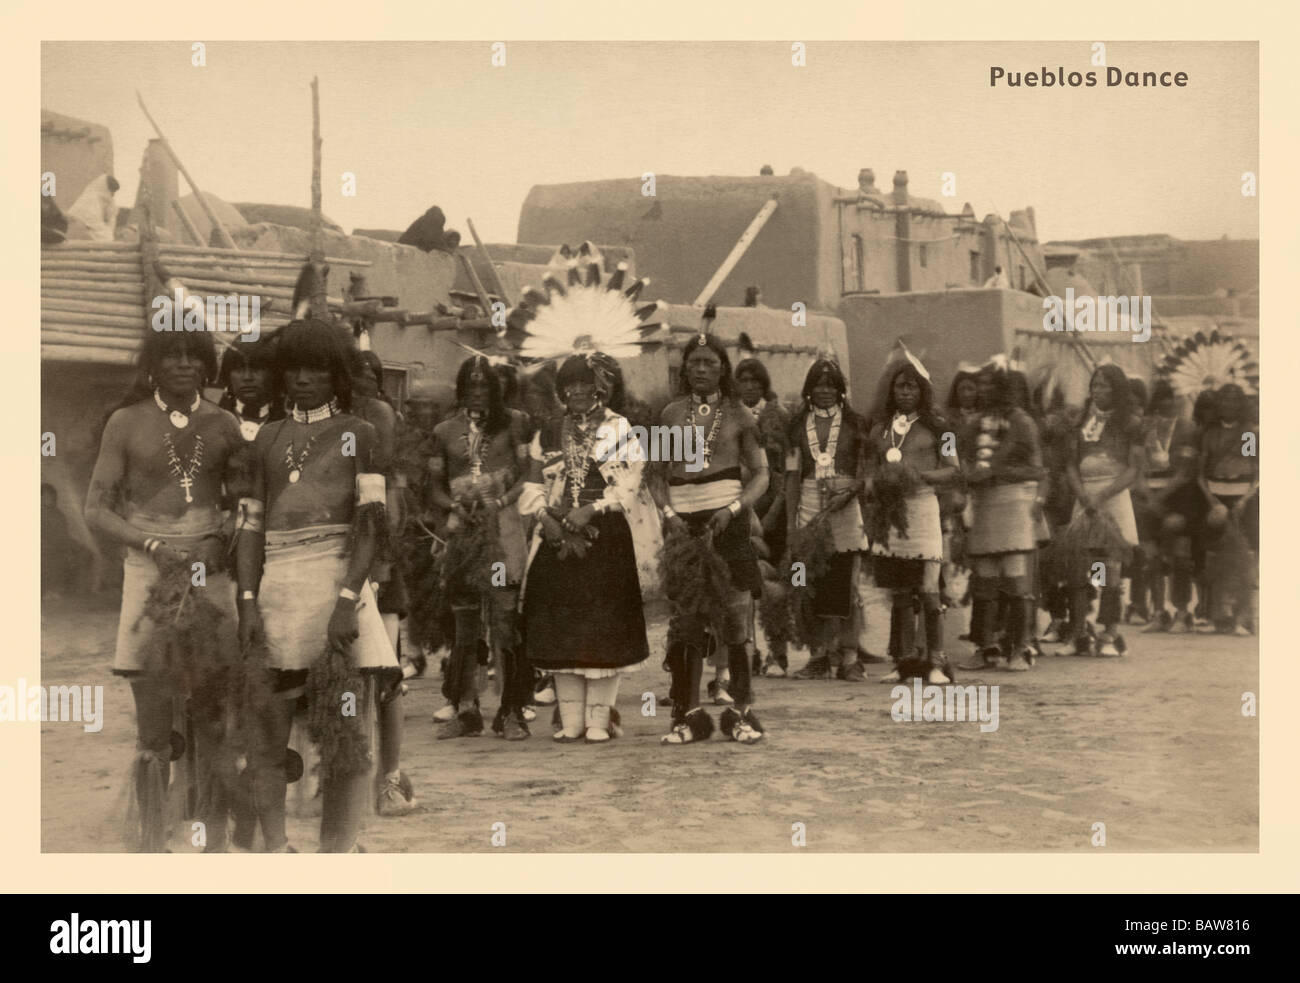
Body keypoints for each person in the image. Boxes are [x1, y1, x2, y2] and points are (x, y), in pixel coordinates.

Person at [235, 317, 399, 853]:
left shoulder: (361, 433)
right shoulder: (265, 439)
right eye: (293, 368)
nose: (303, 378)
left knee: (345, 734)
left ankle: (338, 852)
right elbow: (251, 526)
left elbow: (372, 524)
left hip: (338, 591)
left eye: (317, 368)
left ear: (337, 374)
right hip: (277, 594)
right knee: (266, 738)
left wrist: (348, 600)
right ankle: (279, 849)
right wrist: (247, 602)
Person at [85, 328, 245, 852]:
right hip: (149, 569)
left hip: (207, 570)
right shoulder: (125, 421)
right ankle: (153, 844)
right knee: (153, 727)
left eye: (192, 356)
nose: (181, 364)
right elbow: (97, 508)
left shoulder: (225, 424)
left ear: (206, 365)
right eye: (170, 356)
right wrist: (153, 546)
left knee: (212, 715)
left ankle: (212, 837)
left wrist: (220, 539)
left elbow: (245, 504)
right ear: (152, 366)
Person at [518, 352, 650, 743]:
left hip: (605, 538)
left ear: (600, 387)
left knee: (602, 627)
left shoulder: (617, 426)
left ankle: (599, 720)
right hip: (556, 536)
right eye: (568, 384)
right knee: (562, 626)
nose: (575, 391)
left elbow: (629, 482)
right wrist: (545, 519)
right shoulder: (549, 429)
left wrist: (591, 509)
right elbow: (532, 485)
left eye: (583, 383)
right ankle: (571, 720)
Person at [657, 334, 768, 744]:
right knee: (687, 622)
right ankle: (687, 717)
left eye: (710, 362)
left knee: (736, 619)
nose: (701, 369)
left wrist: (734, 510)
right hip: (684, 529)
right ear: (684, 368)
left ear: (723, 368)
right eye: (695, 362)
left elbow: (761, 475)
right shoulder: (670, 415)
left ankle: (741, 714)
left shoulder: (739, 415)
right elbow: (657, 475)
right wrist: (669, 515)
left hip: (728, 524)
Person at [426, 356, 532, 740]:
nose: (478, 390)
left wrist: (501, 503)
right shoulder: (443, 430)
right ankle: (467, 708)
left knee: (504, 618)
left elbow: (529, 475)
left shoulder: (515, 423)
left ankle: (512, 710)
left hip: (502, 535)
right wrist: (453, 506)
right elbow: (435, 488)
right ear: (461, 388)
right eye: (471, 384)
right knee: (465, 624)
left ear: (496, 387)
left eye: (485, 384)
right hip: (463, 537)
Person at [349, 350, 421, 810]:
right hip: (330, 558)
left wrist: (379, 567)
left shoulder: (377, 419)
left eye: (371, 376)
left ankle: (388, 777)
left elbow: (384, 510)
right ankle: (342, 770)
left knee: (383, 671)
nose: (364, 383)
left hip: (374, 561)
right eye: (355, 375)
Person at [868, 359, 957, 684]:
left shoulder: (940, 427)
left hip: (922, 512)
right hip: (892, 516)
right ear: (892, 390)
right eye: (900, 385)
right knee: (901, 594)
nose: (905, 391)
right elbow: (872, 468)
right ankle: (904, 662)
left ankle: (936, 661)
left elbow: (953, 469)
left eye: (912, 386)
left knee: (929, 590)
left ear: (922, 390)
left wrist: (920, 475)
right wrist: (874, 483)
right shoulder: (880, 428)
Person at [785, 355, 871, 682]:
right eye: (818, 385)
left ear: (840, 390)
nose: (824, 391)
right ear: (809, 389)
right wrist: (793, 524)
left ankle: (849, 658)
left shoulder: (855, 424)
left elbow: (865, 471)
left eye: (830, 385)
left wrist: (849, 492)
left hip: (846, 508)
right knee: (809, 582)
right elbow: (791, 476)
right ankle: (818, 656)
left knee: (846, 584)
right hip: (808, 502)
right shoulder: (795, 427)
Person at [957, 360, 1044, 671]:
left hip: (1013, 503)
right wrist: (970, 475)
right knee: (984, 581)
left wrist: (998, 472)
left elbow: (1036, 468)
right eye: (980, 384)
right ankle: (986, 647)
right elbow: (963, 459)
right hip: (983, 503)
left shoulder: (1022, 422)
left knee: (1017, 581)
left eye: (990, 384)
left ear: (1004, 388)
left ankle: (1021, 649)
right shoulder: (975, 422)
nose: (984, 390)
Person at [1061, 364, 1143, 657]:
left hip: (1113, 496)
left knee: (1109, 569)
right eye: (1095, 385)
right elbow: (1070, 462)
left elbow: (1133, 469)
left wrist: (1104, 495)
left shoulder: (1130, 423)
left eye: (1106, 385)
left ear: (1117, 389)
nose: (1099, 390)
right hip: (1084, 496)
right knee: (1079, 569)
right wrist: (1083, 495)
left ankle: (1109, 633)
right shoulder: (1081, 419)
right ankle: (1079, 632)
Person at [735, 356, 790, 677]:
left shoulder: (779, 417)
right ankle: (748, 650)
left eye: (756, 380)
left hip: (773, 510)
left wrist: (774, 512)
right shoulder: (728, 418)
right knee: (742, 584)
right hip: (740, 509)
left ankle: (777, 654)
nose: (751, 385)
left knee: (774, 583)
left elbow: (784, 473)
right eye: (744, 379)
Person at [1135, 380, 1199, 634]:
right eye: (1161, 397)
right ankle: (1159, 612)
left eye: (1171, 397)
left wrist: (1160, 497)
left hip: (1180, 497)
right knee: (1151, 557)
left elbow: (1185, 472)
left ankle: (1182, 612)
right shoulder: (1145, 427)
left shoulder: (1188, 428)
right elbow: (1136, 463)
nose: (1167, 402)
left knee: (1180, 556)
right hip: (1147, 495)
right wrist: (1145, 493)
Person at [1195, 383, 1258, 635]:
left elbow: (1254, 470)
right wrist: (1213, 502)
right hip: (1215, 497)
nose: (1229, 405)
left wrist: (1245, 500)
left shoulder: (1247, 434)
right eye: (1224, 399)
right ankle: (1216, 616)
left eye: (1234, 400)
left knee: (1244, 557)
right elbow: (1200, 474)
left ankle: (1244, 617)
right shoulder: (1209, 434)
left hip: (1243, 498)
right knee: (1214, 557)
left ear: (1240, 404)